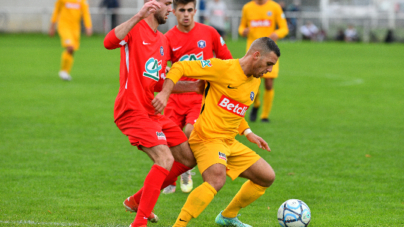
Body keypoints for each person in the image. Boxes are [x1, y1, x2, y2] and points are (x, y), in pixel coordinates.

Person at [153, 37, 280, 227]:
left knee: (266, 176)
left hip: (229, 141)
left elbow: (235, 110)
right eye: (269, 64)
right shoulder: (221, 68)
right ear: (256, 55)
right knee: (216, 179)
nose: (270, 70)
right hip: (207, 138)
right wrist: (164, 92)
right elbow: (180, 67)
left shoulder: (255, 80)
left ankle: (228, 216)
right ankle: (178, 225)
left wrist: (247, 132)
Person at [103, 0, 202, 226]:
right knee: (165, 158)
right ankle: (139, 222)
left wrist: (194, 87)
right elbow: (108, 42)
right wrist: (139, 15)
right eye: (167, 4)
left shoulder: (162, 40)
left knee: (187, 159)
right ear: (152, 4)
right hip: (131, 110)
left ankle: (136, 201)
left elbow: (157, 83)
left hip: (152, 113)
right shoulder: (135, 28)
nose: (171, 9)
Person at [161, 0, 233, 195]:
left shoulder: (209, 33)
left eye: (189, 10)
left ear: (195, 11)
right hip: (176, 97)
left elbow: (228, 60)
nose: (186, 14)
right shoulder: (168, 38)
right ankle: (172, 179)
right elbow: (161, 65)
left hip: (199, 96)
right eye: (182, 10)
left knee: (190, 130)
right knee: (169, 140)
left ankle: (187, 169)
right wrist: (165, 69)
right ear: (174, 12)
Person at [238, 0, 288, 123]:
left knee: (269, 83)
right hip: (253, 52)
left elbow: (284, 28)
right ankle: (256, 104)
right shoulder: (247, 8)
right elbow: (241, 27)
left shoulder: (275, 7)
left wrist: (276, 34)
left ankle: (264, 116)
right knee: (254, 82)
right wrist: (242, 31)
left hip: (270, 51)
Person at [49, 0, 93, 81]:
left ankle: (65, 71)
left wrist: (88, 26)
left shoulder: (82, 1)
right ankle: (63, 72)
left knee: (72, 50)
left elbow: (86, 13)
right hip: (64, 26)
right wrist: (52, 26)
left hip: (75, 29)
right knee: (70, 47)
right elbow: (56, 11)